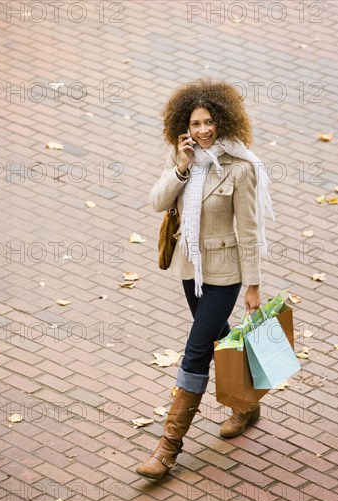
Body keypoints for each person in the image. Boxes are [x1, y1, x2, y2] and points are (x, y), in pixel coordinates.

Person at [136, 80, 274, 480]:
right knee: (219, 337)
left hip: (226, 273)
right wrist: (180, 167)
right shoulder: (182, 157)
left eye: (210, 122)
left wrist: (253, 285)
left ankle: (167, 448)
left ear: (223, 121)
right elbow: (158, 201)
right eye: (195, 123)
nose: (203, 130)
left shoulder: (240, 167)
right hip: (189, 268)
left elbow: (249, 231)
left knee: (196, 351)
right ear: (185, 126)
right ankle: (248, 405)